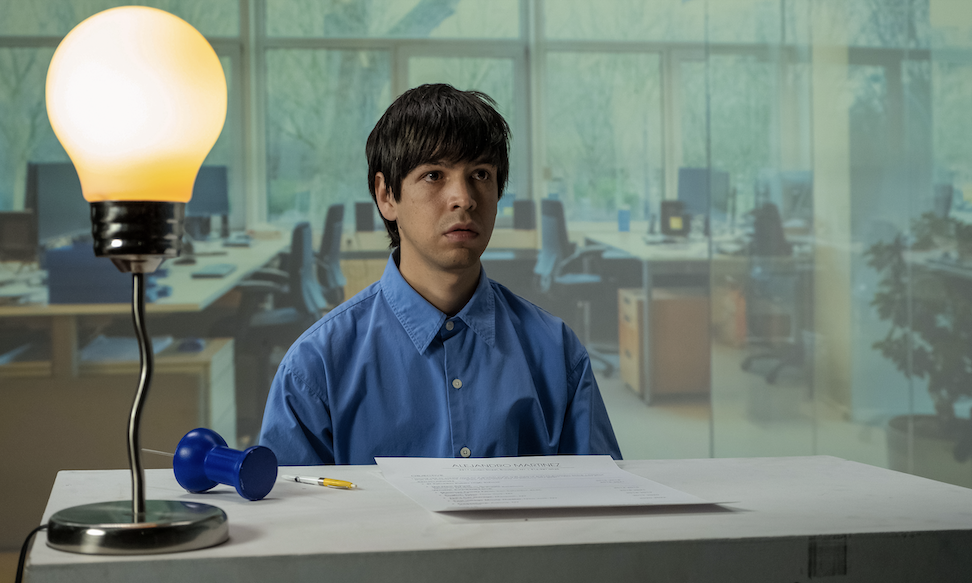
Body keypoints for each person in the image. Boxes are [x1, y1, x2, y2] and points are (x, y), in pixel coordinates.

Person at [259, 83, 621, 464]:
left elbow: (602, 504)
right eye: (434, 175)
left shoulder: (556, 351)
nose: (463, 198)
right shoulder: (317, 366)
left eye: (480, 174)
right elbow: (293, 517)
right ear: (386, 196)